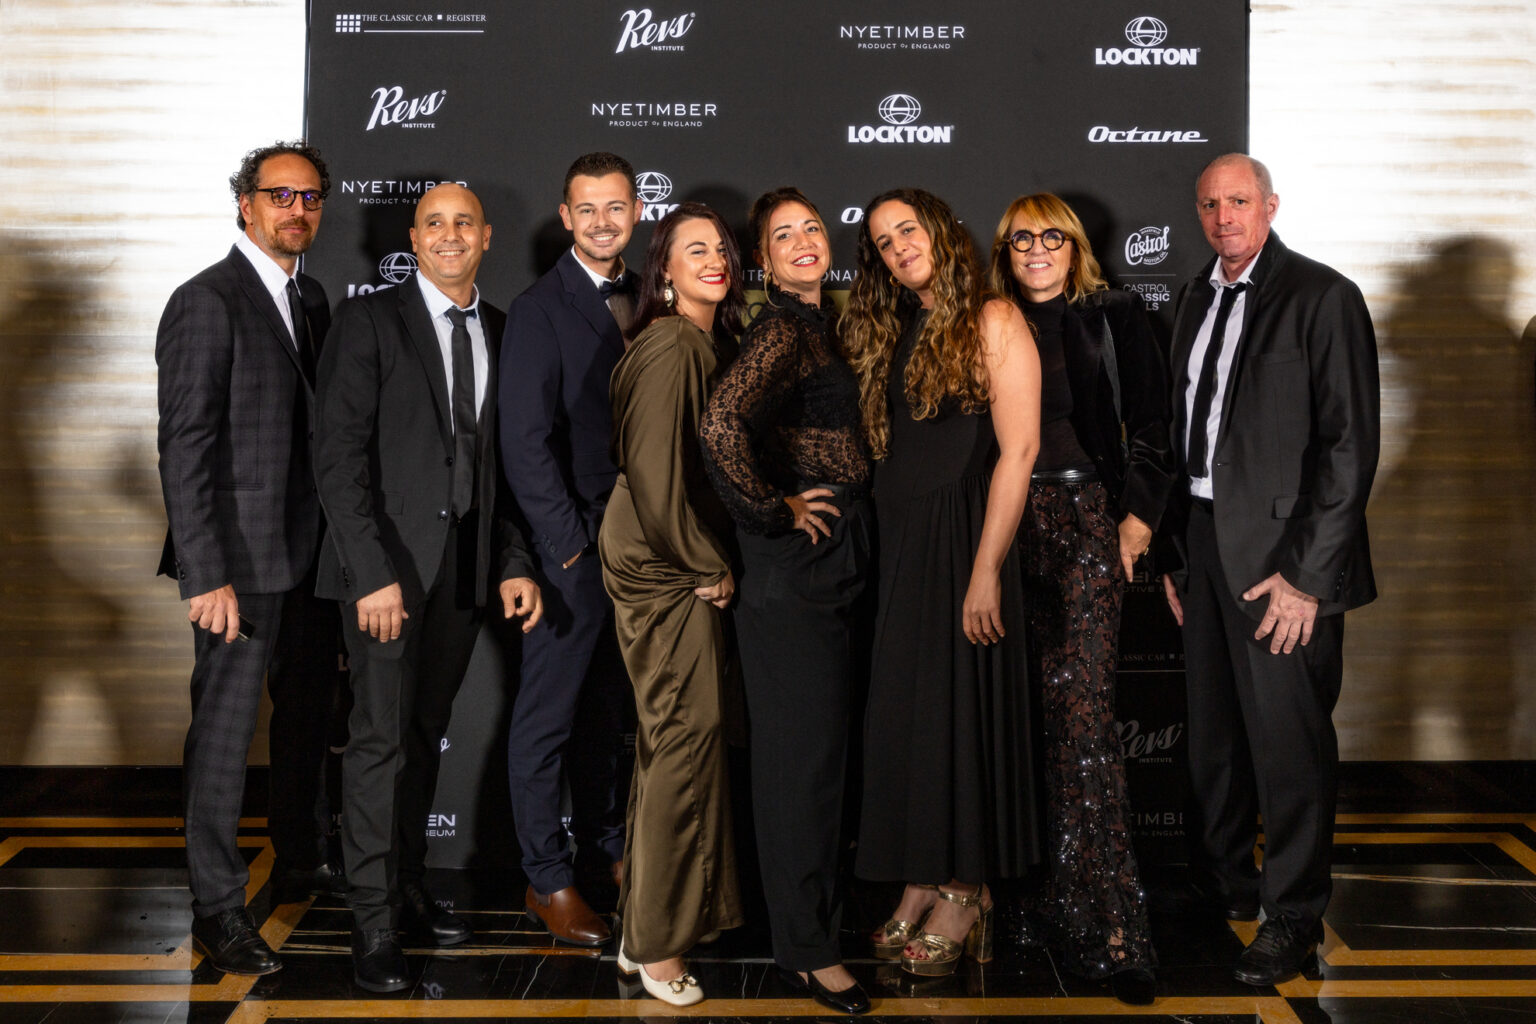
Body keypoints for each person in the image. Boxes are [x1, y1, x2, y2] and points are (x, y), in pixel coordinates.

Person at [313, 183, 544, 992]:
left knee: (421, 736)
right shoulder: (369, 321)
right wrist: (370, 573)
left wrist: (511, 561)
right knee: (379, 742)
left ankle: (406, 887)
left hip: (463, 574)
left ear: (486, 237)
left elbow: (504, 469)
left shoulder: (503, 330)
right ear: (413, 238)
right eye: (434, 224)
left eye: (464, 223)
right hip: (386, 574)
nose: (450, 236)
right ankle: (371, 921)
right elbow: (336, 458)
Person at [1161, 154, 1379, 986]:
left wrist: (1308, 579)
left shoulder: (1324, 296)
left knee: (1290, 751)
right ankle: (1225, 888)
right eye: (1210, 204)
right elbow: (1187, 435)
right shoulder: (1192, 295)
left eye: (1239, 201)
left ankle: (1292, 918)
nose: (1224, 217)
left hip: (1285, 564)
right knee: (1213, 740)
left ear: (1271, 205)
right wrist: (1179, 553)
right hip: (1205, 542)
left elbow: (1350, 448)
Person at [156, 141, 343, 977]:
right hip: (236, 567)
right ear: (245, 203)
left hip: (310, 561)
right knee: (225, 740)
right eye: (279, 196)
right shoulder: (206, 301)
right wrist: (205, 573)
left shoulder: (314, 298)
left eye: (309, 198)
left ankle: (299, 857)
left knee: (304, 725)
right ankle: (217, 908)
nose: (296, 211)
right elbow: (184, 447)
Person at [844, 188, 1041, 978]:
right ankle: (922, 877)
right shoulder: (896, 325)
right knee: (912, 717)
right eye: (883, 242)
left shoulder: (993, 317)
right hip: (901, 544)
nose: (899, 248)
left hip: (964, 541)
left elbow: (1019, 451)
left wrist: (986, 569)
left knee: (960, 716)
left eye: (908, 231)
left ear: (941, 232)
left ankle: (967, 891)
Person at [985, 193, 1175, 1005]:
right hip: (1006, 524)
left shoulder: (1114, 315)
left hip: (1087, 519)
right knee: (1019, 718)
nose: (1037, 250)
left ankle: (1114, 928)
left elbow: (1156, 424)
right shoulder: (988, 321)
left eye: (1052, 237)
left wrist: (1137, 519)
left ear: (1074, 246)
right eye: (1021, 238)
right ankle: (1033, 904)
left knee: (1086, 725)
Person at [699, 188, 873, 1015]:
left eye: (813, 227)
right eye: (783, 235)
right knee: (800, 766)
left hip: (835, 560)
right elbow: (719, 426)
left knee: (822, 760)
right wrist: (773, 509)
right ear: (761, 260)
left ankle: (816, 928)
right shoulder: (779, 329)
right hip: (796, 568)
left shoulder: (816, 324)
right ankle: (805, 952)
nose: (804, 240)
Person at [599, 202, 746, 1006]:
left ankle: (641, 929)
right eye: (695, 250)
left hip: (663, 551)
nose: (714, 259)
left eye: (720, 248)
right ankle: (659, 949)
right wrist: (704, 563)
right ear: (664, 271)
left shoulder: (696, 341)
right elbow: (656, 476)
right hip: (664, 561)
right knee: (687, 737)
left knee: (671, 741)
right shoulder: (673, 345)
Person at [500, 152, 640, 947]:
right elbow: (523, 443)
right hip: (575, 550)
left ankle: (608, 854)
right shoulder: (537, 308)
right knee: (547, 721)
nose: (602, 221)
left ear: (637, 211)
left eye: (615, 207)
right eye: (587, 209)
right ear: (565, 217)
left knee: (608, 716)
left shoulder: (652, 296)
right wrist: (569, 550)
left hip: (641, 548)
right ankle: (546, 880)